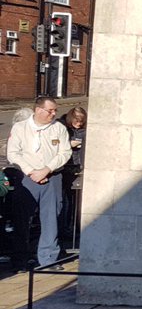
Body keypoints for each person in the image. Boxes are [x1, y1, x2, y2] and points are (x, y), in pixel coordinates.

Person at [5, 97, 72, 268]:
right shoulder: (20, 128)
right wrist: (30, 171)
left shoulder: (59, 128)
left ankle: (48, 258)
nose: (54, 113)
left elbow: (65, 152)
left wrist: (47, 169)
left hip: (52, 177)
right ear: (38, 110)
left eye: (55, 110)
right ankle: (20, 258)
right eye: (50, 110)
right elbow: (13, 153)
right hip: (27, 177)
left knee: (51, 218)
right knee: (22, 218)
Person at [58, 106, 87, 252]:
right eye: (77, 120)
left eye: (82, 121)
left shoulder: (85, 131)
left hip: (79, 167)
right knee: (63, 201)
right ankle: (64, 229)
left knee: (76, 202)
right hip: (64, 168)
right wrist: (69, 145)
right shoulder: (62, 127)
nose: (79, 124)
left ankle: (73, 228)